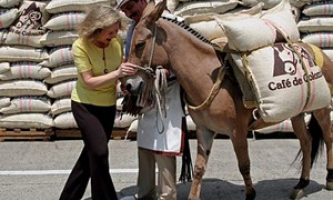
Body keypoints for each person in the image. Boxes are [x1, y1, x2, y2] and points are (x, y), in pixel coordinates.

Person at [59, 5, 137, 200]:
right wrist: (118, 74)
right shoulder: (80, 45)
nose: (115, 34)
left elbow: (120, 70)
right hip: (85, 105)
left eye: (116, 30)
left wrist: (124, 84)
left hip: (107, 106)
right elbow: (89, 81)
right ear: (97, 29)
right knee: (100, 153)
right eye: (110, 31)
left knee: (91, 155)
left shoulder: (116, 42)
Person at [117, 1, 188, 200]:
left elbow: (189, 57)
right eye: (124, 10)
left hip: (167, 91)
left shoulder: (171, 22)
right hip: (144, 92)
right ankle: (145, 193)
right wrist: (126, 81)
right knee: (145, 143)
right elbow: (131, 58)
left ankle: (167, 196)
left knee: (164, 145)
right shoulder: (134, 28)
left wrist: (167, 72)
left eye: (130, 6)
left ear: (142, 1)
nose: (128, 13)